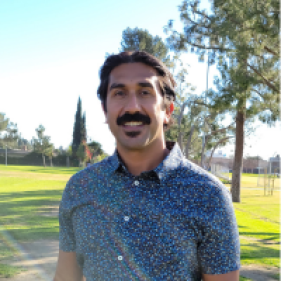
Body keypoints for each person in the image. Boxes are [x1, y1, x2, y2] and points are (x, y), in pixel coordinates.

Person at [53, 51, 240, 281]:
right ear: (105, 110)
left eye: (145, 92)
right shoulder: (80, 188)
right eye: (119, 93)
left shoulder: (209, 194)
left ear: (167, 110)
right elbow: (65, 276)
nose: (132, 107)